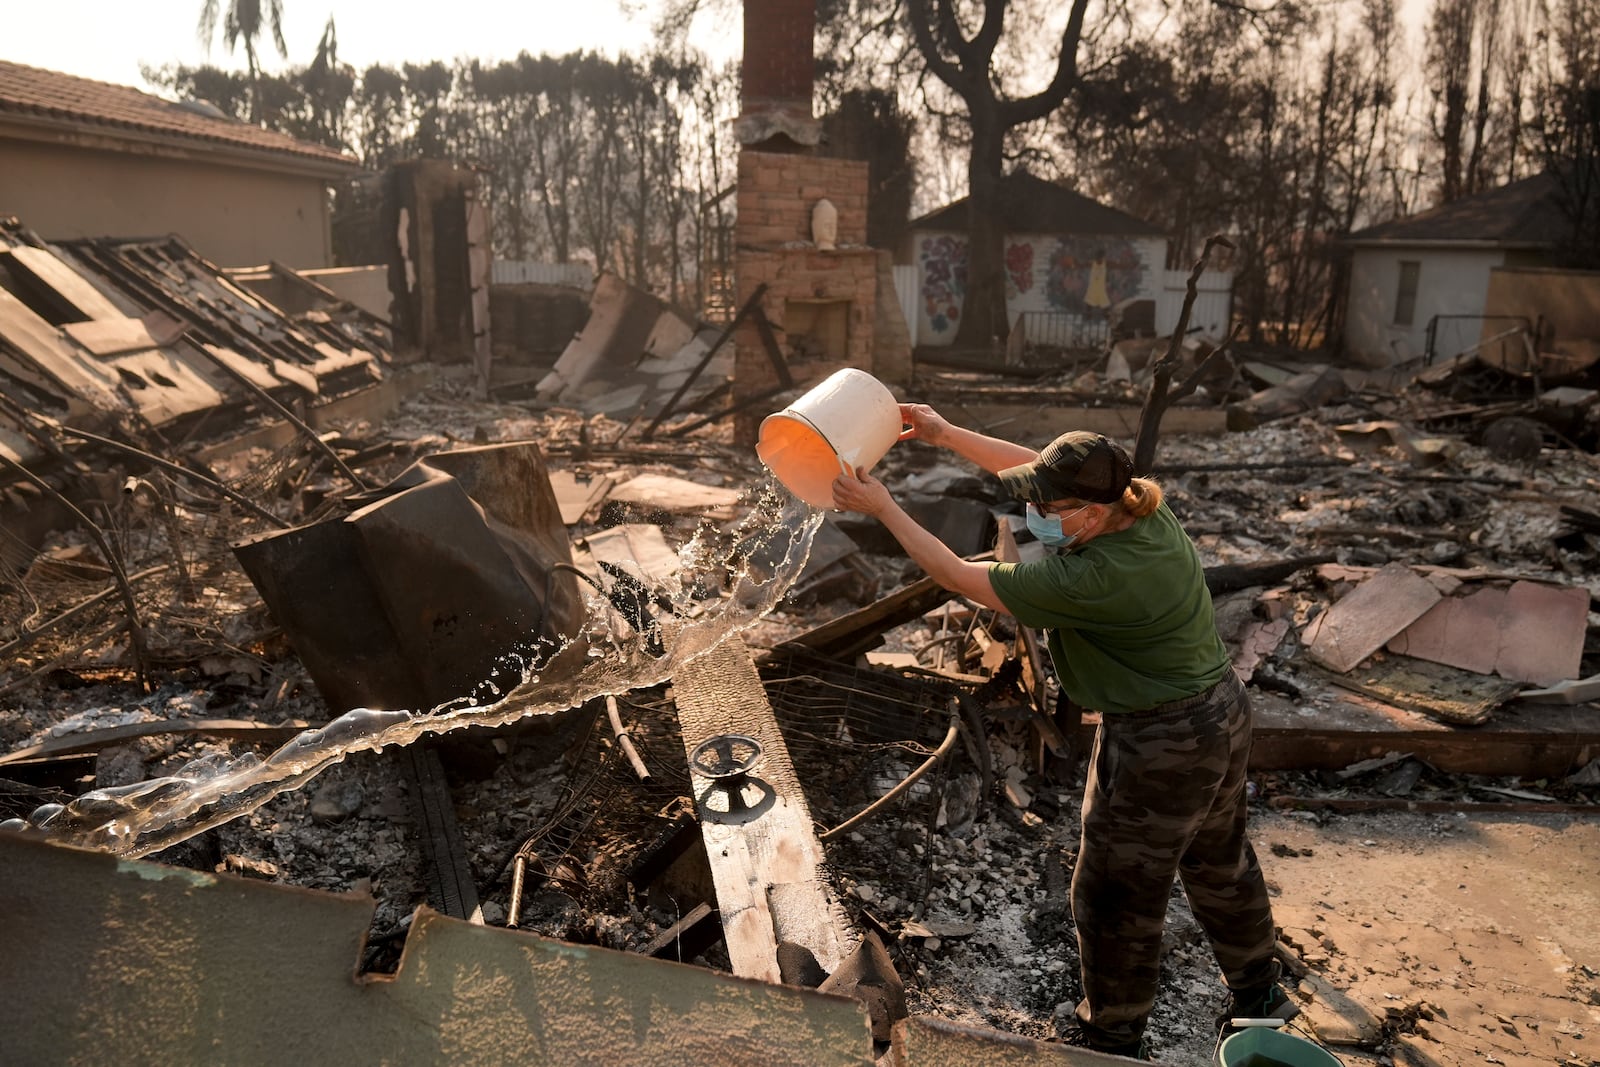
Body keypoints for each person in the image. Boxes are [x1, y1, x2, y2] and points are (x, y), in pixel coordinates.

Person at [830, 403, 1297, 1060]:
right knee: (1219, 863)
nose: (1040, 515)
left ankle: (1112, 1044)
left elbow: (958, 576)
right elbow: (1026, 469)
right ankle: (1260, 1000)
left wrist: (883, 507)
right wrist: (945, 434)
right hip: (1218, 710)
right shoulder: (1140, 505)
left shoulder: (1096, 576)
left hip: (1162, 741)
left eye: (1055, 507)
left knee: (1113, 895)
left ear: (1094, 512)